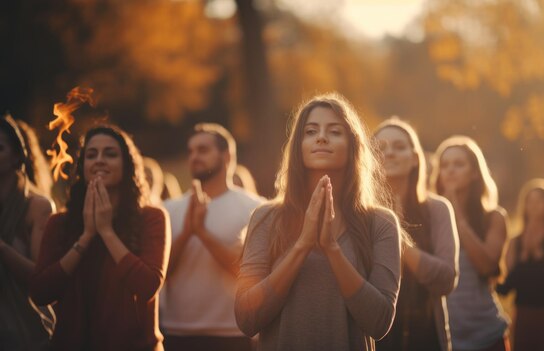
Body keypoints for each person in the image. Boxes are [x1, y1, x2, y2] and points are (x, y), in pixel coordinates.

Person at [235, 93, 402, 351]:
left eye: (335, 131)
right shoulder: (266, 217)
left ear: (353, 146)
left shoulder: (380, 223)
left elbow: (379, 323)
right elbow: (247, 318)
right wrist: (302, 245)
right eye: (311, 131)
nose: (321, 137)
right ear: (297, 146)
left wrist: (331, 249)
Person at [30, 124, 171, 351]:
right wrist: (86, 236)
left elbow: (147, 286)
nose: (99, 160)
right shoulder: (59, 223)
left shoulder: (152, 218)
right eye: (91, 155)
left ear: (128, 165)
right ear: (82, 166)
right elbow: (40, 292)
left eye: (111, 154)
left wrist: (106, 232)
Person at [160, 123, 263, 351]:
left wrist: (202, 233)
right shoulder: (168, 209)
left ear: (227, 157)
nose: (195, 156)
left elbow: (245, 273)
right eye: (191, 151)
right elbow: (159, 275)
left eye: (203, 150)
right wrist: (187, 232)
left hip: (233, 332)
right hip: (177, 332)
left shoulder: (255, 209)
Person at [373, 118, 458, 351]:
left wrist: (396, 236)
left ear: (414, 158)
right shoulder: (358, 213)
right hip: (373, 340)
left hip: (427, 337)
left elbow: (446, 280)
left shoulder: (437, 209)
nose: (389, 153)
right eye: (381, 148)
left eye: (399, 147)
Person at [431, 135, 510, 351]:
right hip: (443, 337)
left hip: (486, 334)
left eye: (459, 164)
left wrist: (456, 213)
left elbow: (486, 265)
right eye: (445, 165)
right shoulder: (428, 217)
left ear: (475, 172)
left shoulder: (494, 218)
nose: (450, 170)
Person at [0, 114, 55, 350]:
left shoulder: (37, 206)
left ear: (16, 156)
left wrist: (2, 248)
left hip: (25, 333)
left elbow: (41, 281)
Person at [497, 179, 544, 351]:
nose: (534, 205)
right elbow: (506, 288)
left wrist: (539, 254)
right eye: (530, 201)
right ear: (524, 205)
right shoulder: (516, 242)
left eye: (539, 200)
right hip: (523, 315)